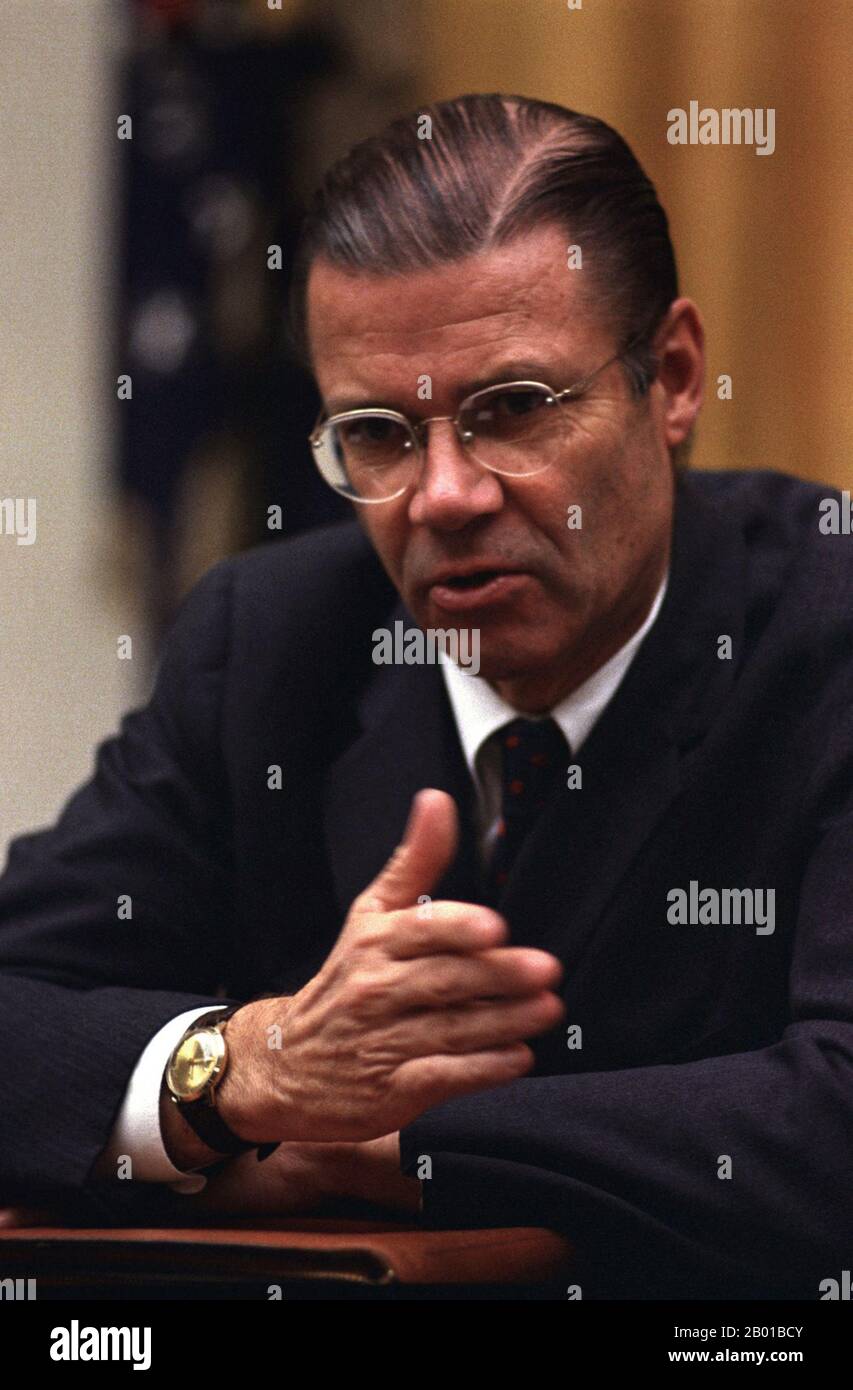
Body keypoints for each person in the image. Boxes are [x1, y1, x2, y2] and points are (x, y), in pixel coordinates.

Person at [1, 94, 850, 1300]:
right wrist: (237, 1070)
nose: (442, 496)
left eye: (511, 409)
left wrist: (381, 1145)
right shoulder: (272, 641)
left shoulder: (828, 629)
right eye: (379, 433)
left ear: (671, 377)